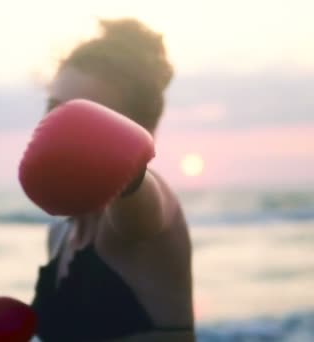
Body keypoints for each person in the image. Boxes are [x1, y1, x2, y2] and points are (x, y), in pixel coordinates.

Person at [30, 18, 194, 342]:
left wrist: (129, 171)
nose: (58, 126)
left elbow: (143, 205)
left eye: (86, 115)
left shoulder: (150, 210)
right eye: (54, 108)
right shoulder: (59, 233)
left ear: (135, 131)